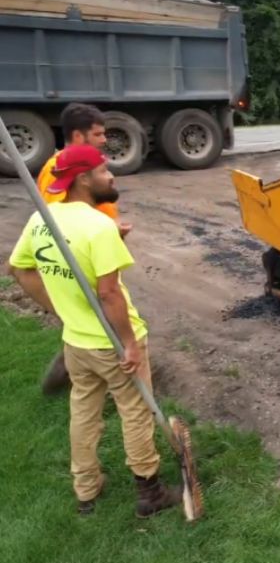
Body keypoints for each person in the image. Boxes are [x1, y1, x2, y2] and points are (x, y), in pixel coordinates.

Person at [7, 144, 181, 518]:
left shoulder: (43, 219)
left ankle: (86, 490)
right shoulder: (98, 226)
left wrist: (61, 309)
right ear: (83, 179)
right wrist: (130, 345)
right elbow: (108, 292)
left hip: (76, 342)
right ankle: (149, 492)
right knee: (135, 411)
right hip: (112, 342)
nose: (111, 174)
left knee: (83, 411)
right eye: (104, 170)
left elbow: (19, 269)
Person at [38, 103, 131, 395]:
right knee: (105, 325)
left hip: (99, 254)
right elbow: (63, 229)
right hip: (88, 263)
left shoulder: (78, 165)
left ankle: (76, 376)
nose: (104, 139)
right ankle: (111, 385)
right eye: (98, 134)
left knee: (93, 326)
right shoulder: (58, 172)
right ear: (78, 136)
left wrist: (113, 232)